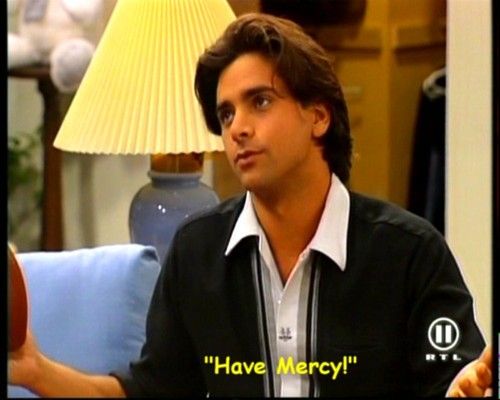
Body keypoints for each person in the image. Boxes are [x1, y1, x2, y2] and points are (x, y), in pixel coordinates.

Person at [8, 13, 492, 397]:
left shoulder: (409, 253)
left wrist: (465, 389)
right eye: (226, 113)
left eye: (259, 102)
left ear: (318, 116)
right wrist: (37, 371)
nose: (237, 128)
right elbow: (148, 392)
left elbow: (456, 379)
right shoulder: (197, 252)